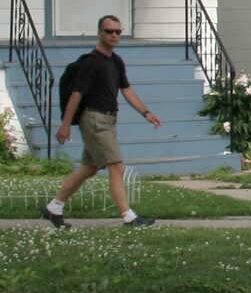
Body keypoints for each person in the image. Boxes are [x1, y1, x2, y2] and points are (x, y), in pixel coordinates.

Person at [42, 15, 162, 228]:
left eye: (118, 32)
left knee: (90, 167)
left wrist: (146, 112)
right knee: (116, 166)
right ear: (99, 33)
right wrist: (66, 124)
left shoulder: (115, 61)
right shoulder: (91, 62)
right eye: (109, 31)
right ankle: (128, 217)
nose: (114, 35)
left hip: (108, 118)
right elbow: (76, 94)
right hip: (95, 118)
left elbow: (126, 89)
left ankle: (54, 207)